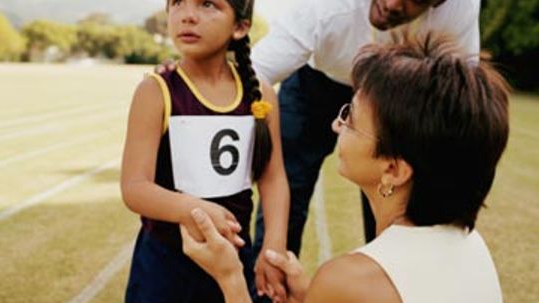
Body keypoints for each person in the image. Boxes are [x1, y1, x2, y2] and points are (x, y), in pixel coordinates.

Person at [180, 33, 508, 303]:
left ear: (394, 170)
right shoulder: (472, 247)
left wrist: (230, 277)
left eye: (351, 117)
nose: (337, 125)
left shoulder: (349, 280)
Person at [251, 0, 482, 254]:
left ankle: (386, 281)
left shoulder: (462, 7)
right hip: (315, 84)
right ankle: (269, 288)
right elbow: (253, 76)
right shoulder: (323, 8)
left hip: (396, 93)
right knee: (290, 186)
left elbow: (462, 94)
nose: (392, 4)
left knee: (394, 196)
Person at [120, 0, 289, 302]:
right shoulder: (155, 91)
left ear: (240, 27)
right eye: (177, 3)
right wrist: (196, 211)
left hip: (233, 261)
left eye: (208, 4)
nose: (187, 16)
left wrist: (273, 246)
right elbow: (135, 188)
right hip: (164, 266)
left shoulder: (260, 94)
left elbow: (273, 178)